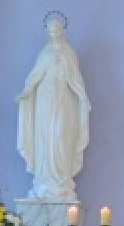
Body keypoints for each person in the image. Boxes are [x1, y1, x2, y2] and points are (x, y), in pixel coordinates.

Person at [15, 11, 91, 202]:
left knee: (60, 135)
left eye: (56, 29)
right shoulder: (45, 53)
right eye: (50, 30)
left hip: (64, 99)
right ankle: (44, 179)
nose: (54, 33)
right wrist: (26, 92)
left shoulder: (69, 53)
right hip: (45, 99)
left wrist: (83, 97)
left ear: (62, 30)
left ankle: (62, 180)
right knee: (45, 137)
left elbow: (76, 79)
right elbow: (35, 75)